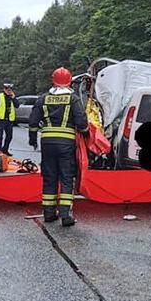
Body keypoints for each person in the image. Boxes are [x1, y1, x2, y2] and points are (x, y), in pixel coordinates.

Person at [29, 68, 88, 227]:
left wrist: (32, 140)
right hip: (66, 143)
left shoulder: (43, 98)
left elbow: (33, 122)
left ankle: (49, 213)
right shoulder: (73, 99)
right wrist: (86, 133)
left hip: (47, 143)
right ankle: (65, 215)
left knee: (50, 177)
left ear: (52, 80)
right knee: (66, 177)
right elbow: (82, 123)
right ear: (69, 81)